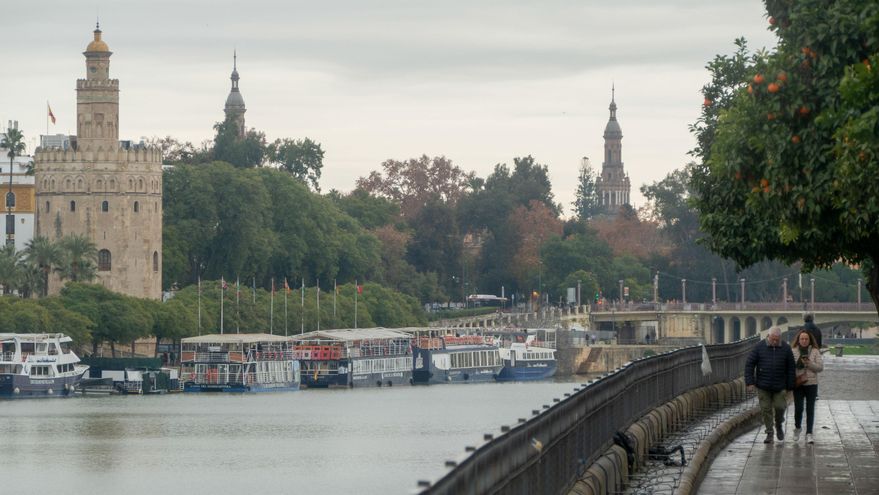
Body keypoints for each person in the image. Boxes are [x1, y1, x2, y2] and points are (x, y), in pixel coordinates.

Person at [745, 326, 796, 444]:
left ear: (780, 338)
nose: (774, 342)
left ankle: (778, 425)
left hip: (780, 385)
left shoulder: (786, 348)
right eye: (773, 339)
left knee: (780, 407)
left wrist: (790, 386)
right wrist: (750, 382)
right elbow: (749, 364)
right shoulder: (759, 347)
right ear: (768, 336)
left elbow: (791, 368)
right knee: (766, 409)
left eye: (777, 340)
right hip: (763, 385)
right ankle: (769, 433)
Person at [792, 330, 823, 444]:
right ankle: (797, 427)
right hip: (799, 383)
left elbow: (820, 367)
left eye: (806, 339)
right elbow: (790, 367)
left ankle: (809, 433)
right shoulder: (793, 351)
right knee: (798, 408)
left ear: (809, 340)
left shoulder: (815, 351)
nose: (804, 341)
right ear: (798, 340)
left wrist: (809, 363)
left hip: (811, 384)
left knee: (810, 409)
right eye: (802, 339)